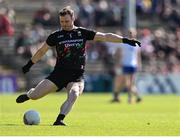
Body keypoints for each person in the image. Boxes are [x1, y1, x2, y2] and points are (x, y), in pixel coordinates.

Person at [16, 6, 141, 126]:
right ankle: (29, 95)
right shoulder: (55, 36)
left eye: (67, 21)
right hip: (58, 74)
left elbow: (105, 36)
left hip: (77, 76)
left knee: (74, 93)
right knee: (35, 96)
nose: (64, 24)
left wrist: (125, 40)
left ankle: (59, 119)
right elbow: (41, 51)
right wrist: (29, 64)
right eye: (62, 22)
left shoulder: (82, 33)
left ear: (73, 18)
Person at [112, 28, 142, 103]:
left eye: (132, 33)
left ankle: (129, 97)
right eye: (130, 33)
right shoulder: (124, 43)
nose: (131, 34)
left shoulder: (136, 44)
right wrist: (118, 63)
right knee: (127, 82)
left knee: (129, 83)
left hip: (132, 65)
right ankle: (133, 97)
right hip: (125, 64)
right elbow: (119, 53)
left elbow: (138, 55)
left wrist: (139, 64)